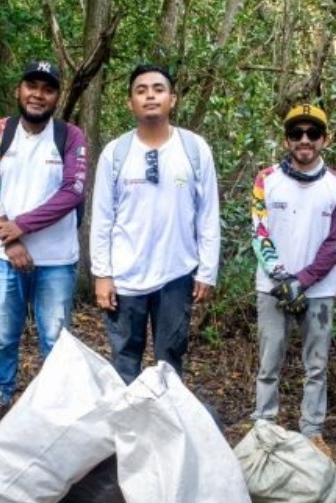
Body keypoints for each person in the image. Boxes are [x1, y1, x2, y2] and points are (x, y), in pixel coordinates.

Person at [0, 61, 88, 426]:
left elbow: (72, 192)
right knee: (4, 334)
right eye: (31, 86)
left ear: (57, 97)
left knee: (55, 338)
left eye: (47, 89)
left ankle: (53, 407)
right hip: (3, 257)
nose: (38, 95)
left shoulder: (70, 137)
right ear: (18, 90)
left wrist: (20, 226)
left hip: (56, 259)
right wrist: (10, 241)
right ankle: (0, 395)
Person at [89, 64, 220, 383]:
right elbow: (102, 217)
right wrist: (102, 274)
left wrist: (207, 270)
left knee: (170, 362)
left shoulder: (194, 148)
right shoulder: (115, 153)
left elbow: (207, 213)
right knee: (124, 361)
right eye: (141, 90)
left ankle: (167, 415)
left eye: (158, 89)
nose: (150, 96)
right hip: (125, 276)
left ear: (172, 99)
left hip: (176, 273)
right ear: (130, 102)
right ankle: (126, 416)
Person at [249, 104, 336, 459]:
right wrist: (281, 276)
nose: (304, 140)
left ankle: (312, 431)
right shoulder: (266, 179)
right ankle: (264, 425)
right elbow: (259, 230)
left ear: (325, 139)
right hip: (271, 286)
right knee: (269, 359)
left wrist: (302, 281)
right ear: (286, 140)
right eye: (296, 133)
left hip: (319, 289)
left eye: (312, 133)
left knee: (316, 364)